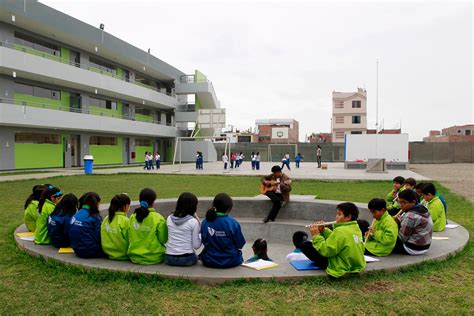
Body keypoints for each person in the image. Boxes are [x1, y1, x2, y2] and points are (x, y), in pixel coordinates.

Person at [299, 202, 366, 278]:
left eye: (339, 214)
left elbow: (326, 251)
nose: (336, 217)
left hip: (340, 263)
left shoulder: (340, 231)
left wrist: (316, 236)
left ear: (348, 217)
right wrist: (323, 231)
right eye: (337, 214)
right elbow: (337, 239)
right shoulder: (355, 228)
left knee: (305, 245)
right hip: (354, 263)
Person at [200, 193, 246, 268]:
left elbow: (204, 241)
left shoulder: (205, 222)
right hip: (231, 261)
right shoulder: (233, 223)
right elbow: (240, 244)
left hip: (209, 260)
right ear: (229, 208)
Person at [128, 188, 168, 264]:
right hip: (155, 257)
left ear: (140, 200)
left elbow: (129, 236)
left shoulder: (132, 217)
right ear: (153, 201)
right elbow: (163, 239)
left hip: (135, 257)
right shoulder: (158, 218)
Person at [165, 192, 202, 266]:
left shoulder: (169, 218)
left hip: (169, 258)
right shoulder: (193, 222)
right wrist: (202, 235)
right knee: (197, 256)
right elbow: (196, 246)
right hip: (187, 259)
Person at [392, 189, 433, 256]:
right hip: (425, 246)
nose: (401, 205)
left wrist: (396, 224)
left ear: (413, 202)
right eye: (400, 202)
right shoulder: (423, 208)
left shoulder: (410, 216)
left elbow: (402, 238)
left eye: (404, 202)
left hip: (412, 248)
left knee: (386, 239)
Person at [69, 192, 105, 258]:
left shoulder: (76, 214)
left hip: (76, 249)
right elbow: (99, 237)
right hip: (89, 251)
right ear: (96, 203)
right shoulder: (94, 216)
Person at [100, 193, 131, 260]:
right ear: (125, 206)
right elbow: (131, 240)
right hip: (123, 255)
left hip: (108, 254)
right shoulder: (126, 221)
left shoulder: (106, 219)